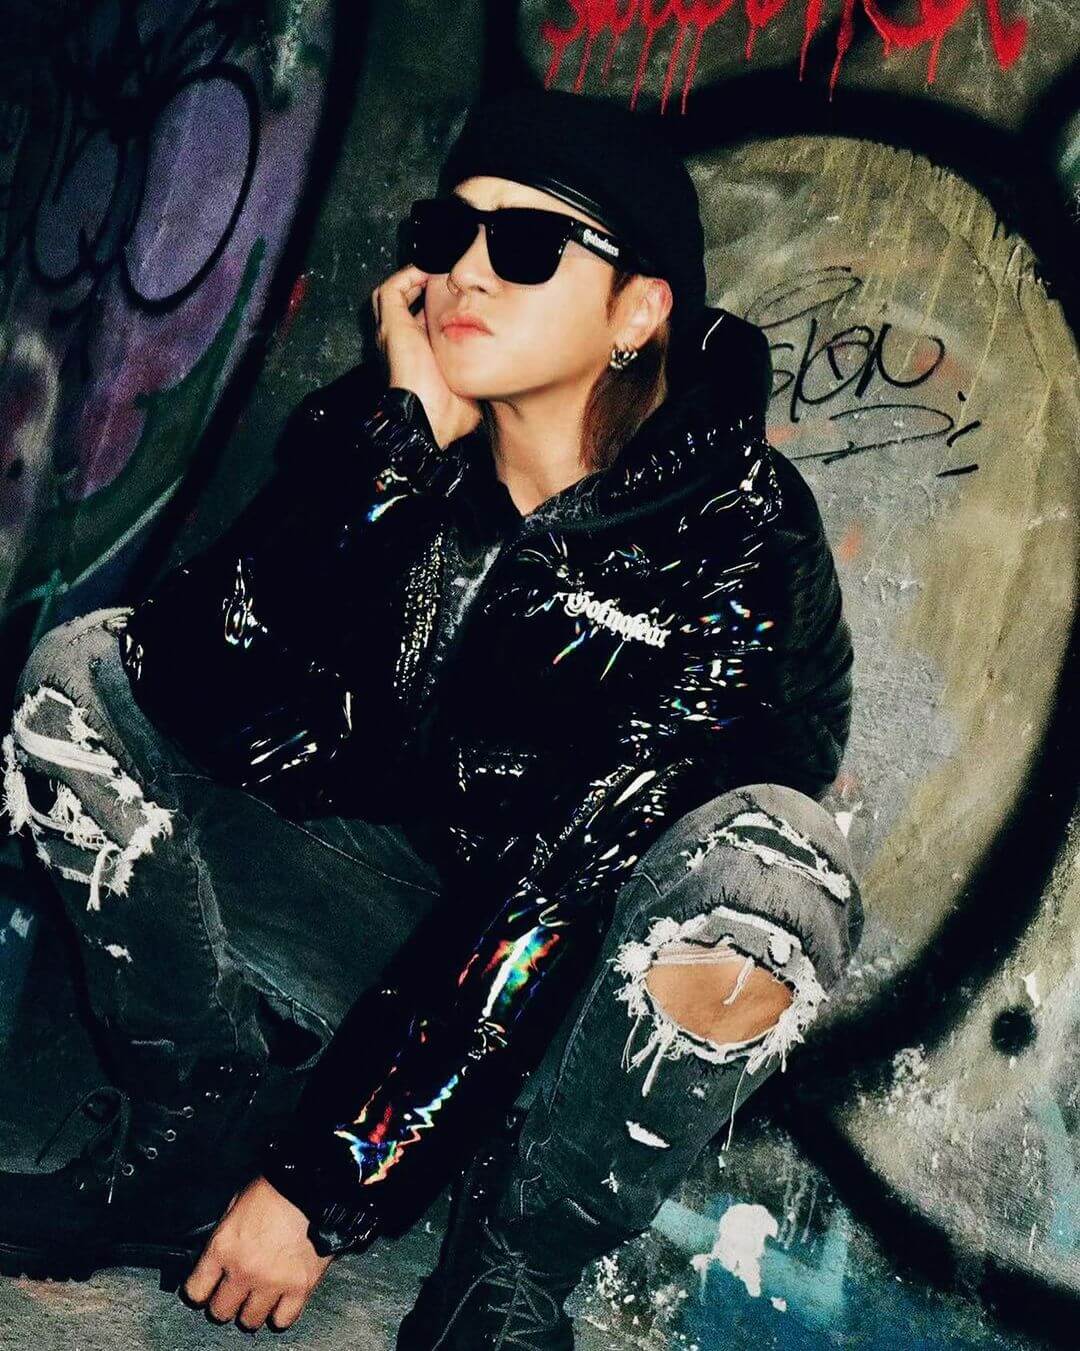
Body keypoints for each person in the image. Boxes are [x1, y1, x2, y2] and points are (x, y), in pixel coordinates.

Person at [0, 86, 861, 1349]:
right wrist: (390, 457)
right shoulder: (389, 447)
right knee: (84, 676)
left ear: (639, 311)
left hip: (576, 1003)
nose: (467, 271)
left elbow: (565, 877)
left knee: (778, 874)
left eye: (528, 244)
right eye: (447, 233)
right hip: (374, 924)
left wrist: (327, 1177)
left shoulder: (736, 531)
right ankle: (197, 1128)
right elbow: (186, 675)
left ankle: (505, 1266)